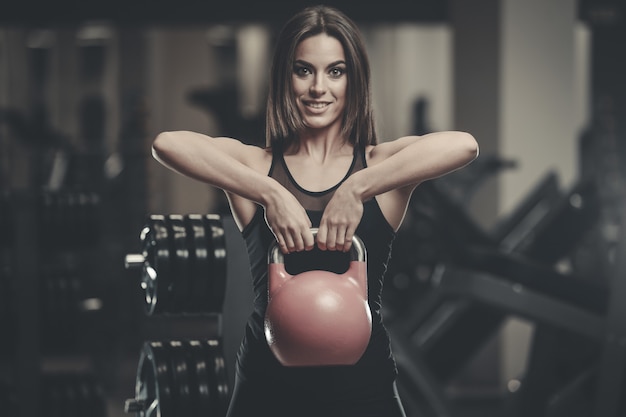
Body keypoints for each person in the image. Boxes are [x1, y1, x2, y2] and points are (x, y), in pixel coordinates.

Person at [152, 5, 479, 417]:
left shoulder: (378, 166)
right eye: (303, 70)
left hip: (364, 389)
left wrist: (357, 189)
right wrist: (271, 194)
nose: (318, 87)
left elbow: (463, 145)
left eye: (335, 72)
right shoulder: (255, 166)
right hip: (266, 388)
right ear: (284, 79)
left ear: (354, 80)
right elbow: (167, 144)